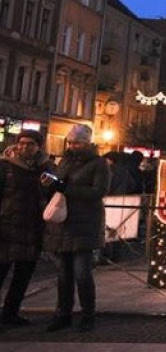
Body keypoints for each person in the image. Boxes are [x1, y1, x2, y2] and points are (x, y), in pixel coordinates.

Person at [42, 124, 110, 332]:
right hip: (64, 221)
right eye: (70, 142)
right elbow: (60, 186)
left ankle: (87, 314)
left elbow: (98, 191)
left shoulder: (98, 163)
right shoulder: (66, 160)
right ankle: (63, 313)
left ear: (87, 143)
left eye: (77, 142)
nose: (72, 146)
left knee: (82, 272)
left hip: (85, 223)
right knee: (63, 273)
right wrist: (50, 184)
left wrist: (67, 188)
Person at [0, 130, 53, 326]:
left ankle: (10, 313)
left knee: (23, 275)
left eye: (30, 144)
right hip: (7, 225)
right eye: (22, 143)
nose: (25, 147)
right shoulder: (5, 165)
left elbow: (52, 194)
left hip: (32, 226)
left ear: (39, 146)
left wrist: (49, 186)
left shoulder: (45, 167)